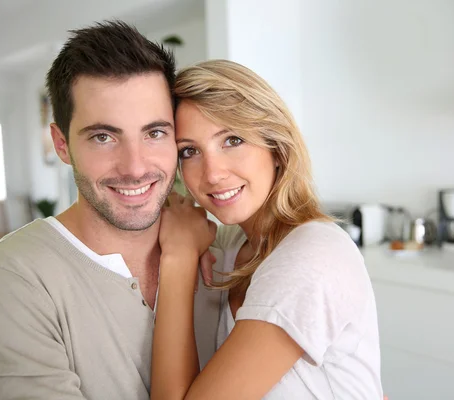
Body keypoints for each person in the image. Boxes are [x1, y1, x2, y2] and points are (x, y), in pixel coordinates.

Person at [0, 21, 216, 399]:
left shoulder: (223, 247)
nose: (135, 166)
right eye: (103, 136)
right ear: (61, 144)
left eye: (155, 132)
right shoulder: (9, 279)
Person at [151, 60, 383, 399]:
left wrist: (179, 257)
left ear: (276, 147)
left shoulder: (312, 255)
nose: (213, 173)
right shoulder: (230, 245)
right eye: (189, 151)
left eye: (232, 140)